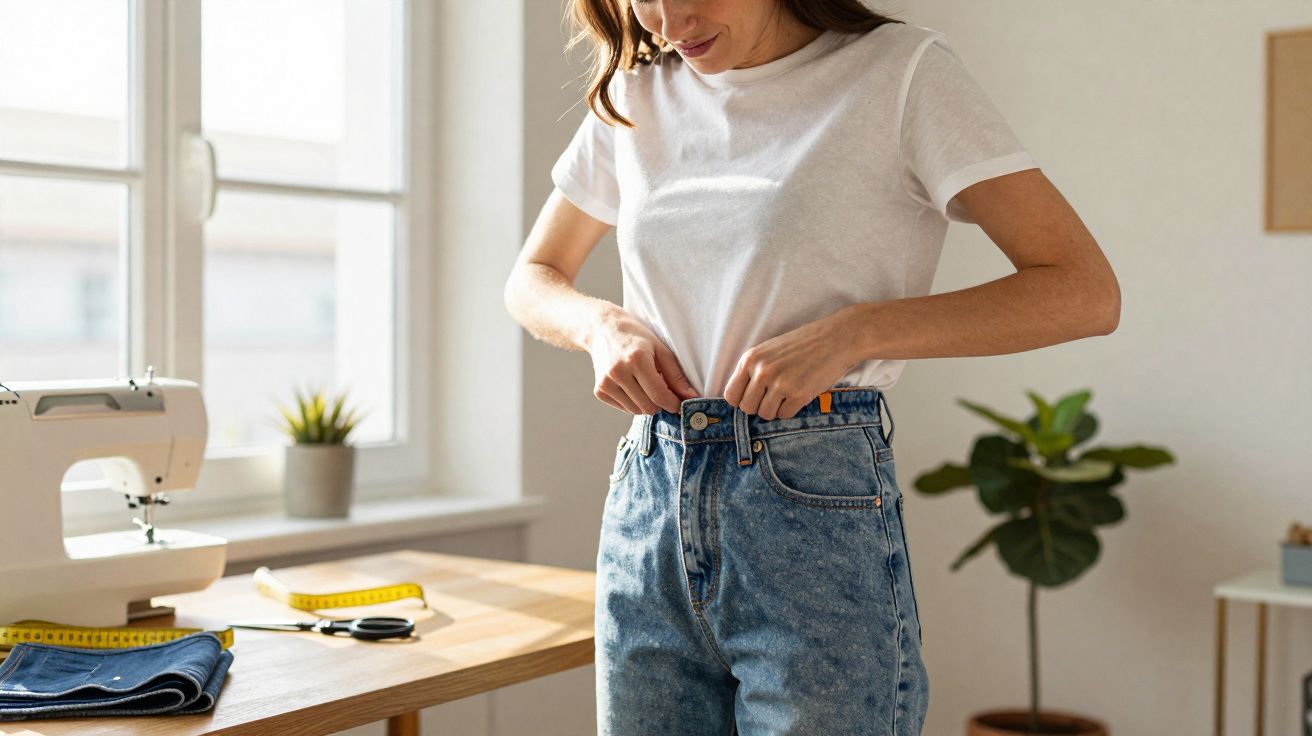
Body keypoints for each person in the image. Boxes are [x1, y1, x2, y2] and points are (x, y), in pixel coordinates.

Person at [504, 0, 1120, 733]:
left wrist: (857, 332)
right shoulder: (638, 96)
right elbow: (534, 276)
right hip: (649, 499)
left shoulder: (899, 72)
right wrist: (599, 326)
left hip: (811, 494)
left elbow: (1083, 290)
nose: (670, 21)